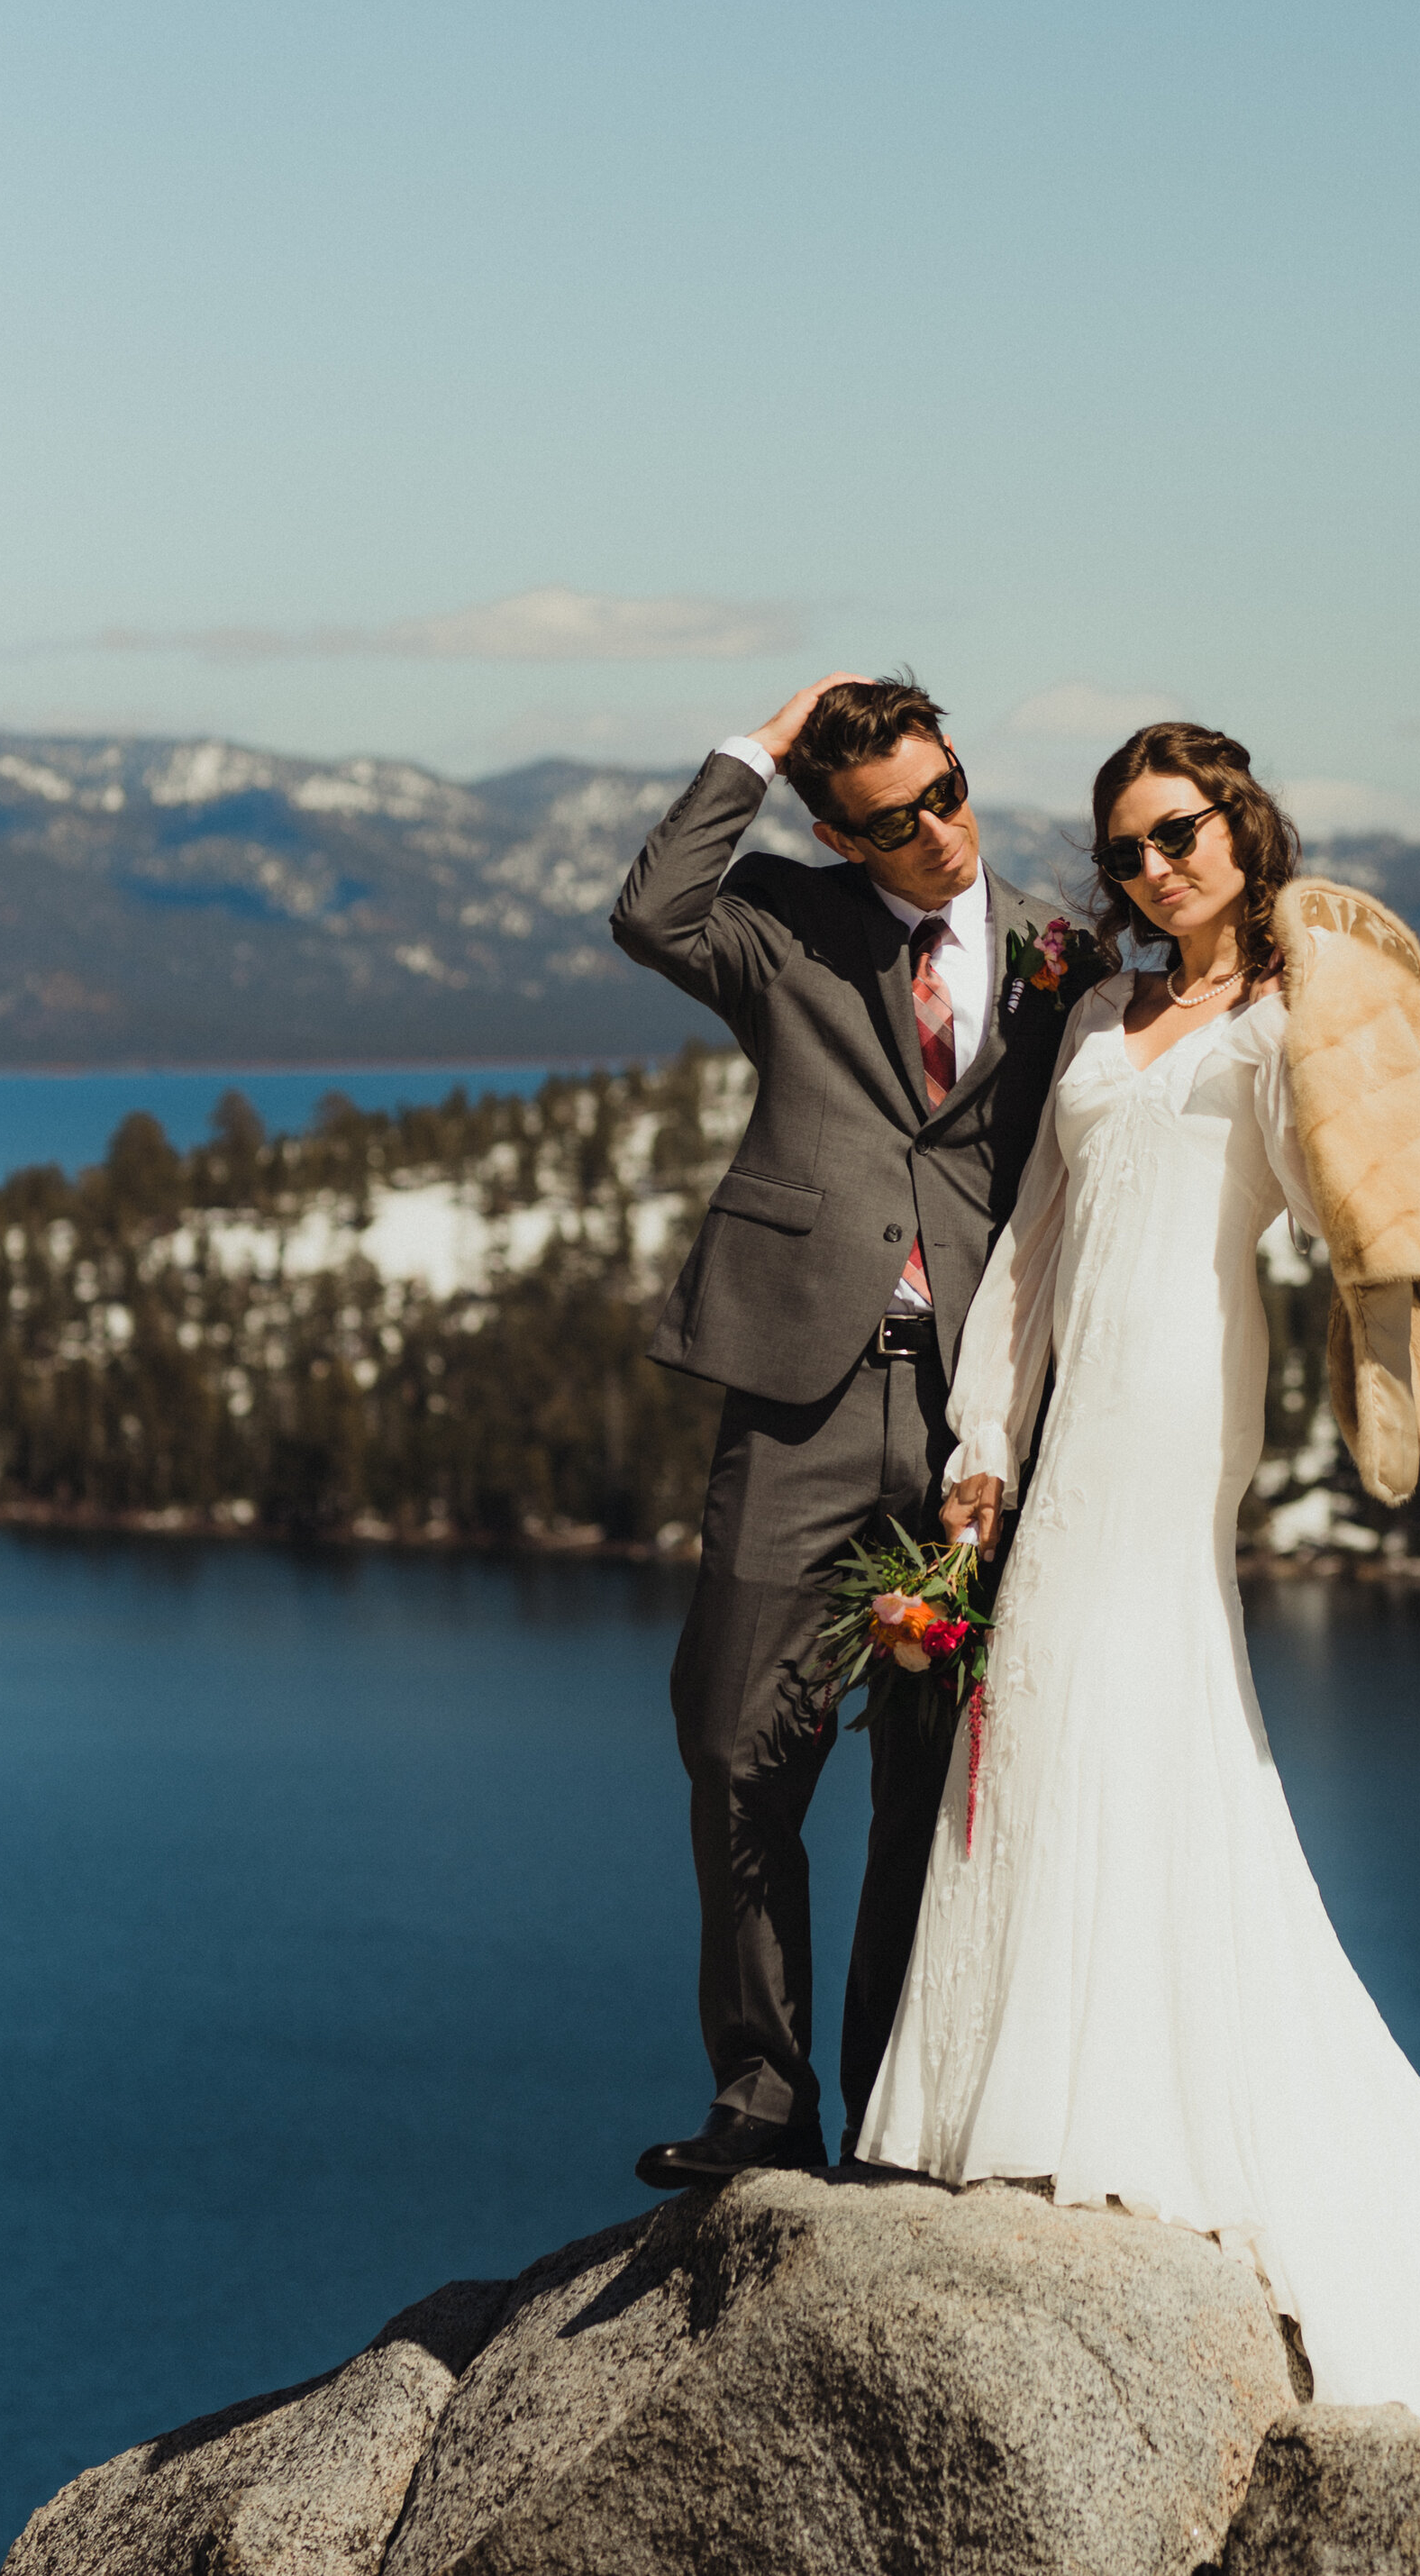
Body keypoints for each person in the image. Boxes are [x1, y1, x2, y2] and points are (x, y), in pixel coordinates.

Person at [853, 719, 1420, 2417]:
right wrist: (979, 1450)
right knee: (1032, 1695)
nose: (1153, 869)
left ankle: (1089, 2107)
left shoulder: (1293, 1013)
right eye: (1122, 852)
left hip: (1182, 1390)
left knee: (1111, 1674)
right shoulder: (1099, 1015)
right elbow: (1029, 1239)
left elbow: (1363, 1187)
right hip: (1073, 1379)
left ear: (1239, 829)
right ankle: (1018, 2096)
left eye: (1178, 834)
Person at [609, 672, 1097, 2187]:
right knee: (738, 1747)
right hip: (802, 1395)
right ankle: (763, 2096)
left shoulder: (1059, 951)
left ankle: (891, 2110)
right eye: (896, 820)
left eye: (950, 792)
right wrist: (754, 744)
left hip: (971, 1418)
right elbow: (650, 913)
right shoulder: (783, 921)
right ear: (839, 830)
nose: (943, 831)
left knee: (928, 1778)